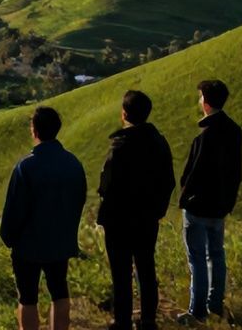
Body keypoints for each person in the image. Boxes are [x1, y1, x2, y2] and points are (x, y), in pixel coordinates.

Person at [0, 107, 87, 330]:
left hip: (28, 245)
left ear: (34, 130)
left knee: (27, 297)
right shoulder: (73, 163)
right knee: (59, 291)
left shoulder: (26, 167)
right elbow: (80, 200)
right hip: (61, 241)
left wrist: (9, 237)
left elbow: (14, 210)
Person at [97, 90, 176, 330]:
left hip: (119, 219)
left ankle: (122, 320)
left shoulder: (119, 146)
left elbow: (106, 185)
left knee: (121, 272)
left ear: (124, 114)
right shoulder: (159, 142)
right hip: (147, 217)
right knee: (146, 267)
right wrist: (158, 209)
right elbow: (169, 181)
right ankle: (148, 319)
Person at [176, 79, 242, 325]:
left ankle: (197, 312)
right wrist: (229, 201)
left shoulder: (205, 136)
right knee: (217, 255)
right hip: (221, 205)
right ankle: (215, 304)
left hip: (199, 206)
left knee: (197, 259)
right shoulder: (234, 130)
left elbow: (192, 174)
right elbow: (237, 172)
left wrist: (184, 198)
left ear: (205, 101)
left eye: (200, 97)